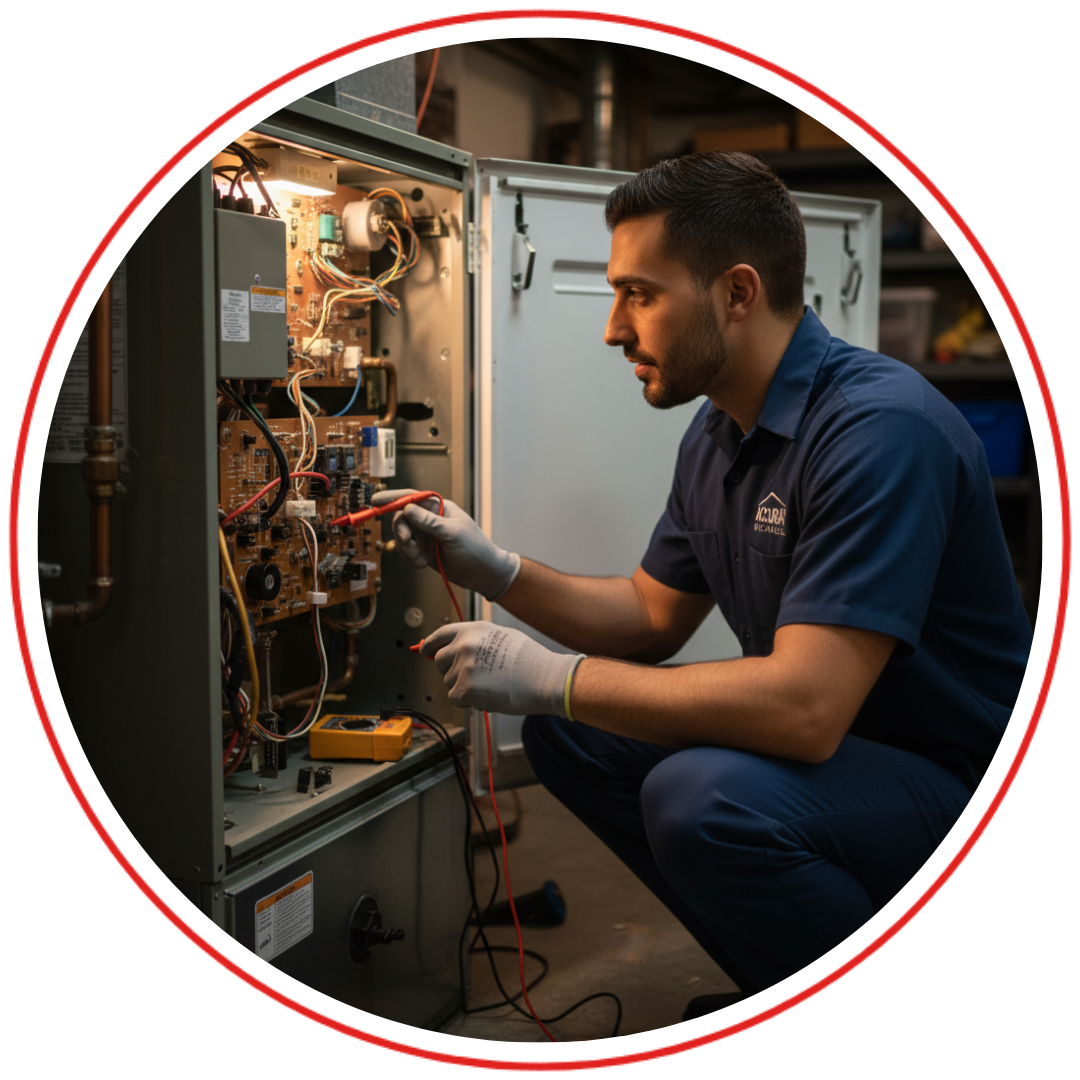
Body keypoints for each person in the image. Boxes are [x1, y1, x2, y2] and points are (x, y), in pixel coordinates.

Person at [371, 152, 1033, 1015]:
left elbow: (804, 710)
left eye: (639, 294)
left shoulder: (879, 430)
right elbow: (651, 615)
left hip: (952, 781)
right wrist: (497, 569)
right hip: (848, 753)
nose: (613, 329)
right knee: (572, 737)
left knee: (703, 801)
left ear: (738, 293)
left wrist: (554, 675)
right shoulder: (721, 432)